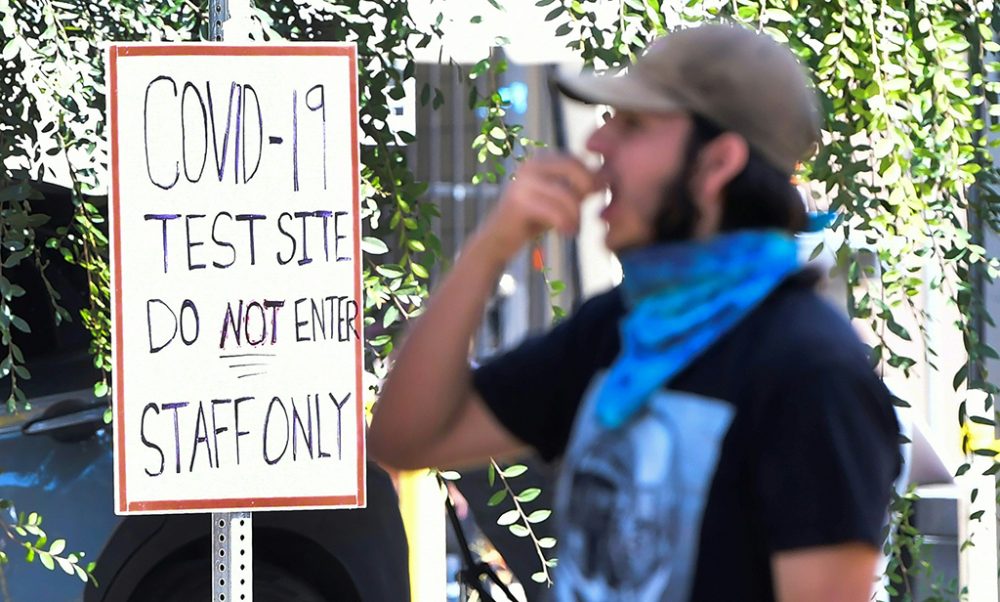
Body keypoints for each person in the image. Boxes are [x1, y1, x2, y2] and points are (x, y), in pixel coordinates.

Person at [369, 23, 900, 602]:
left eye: (635, 124)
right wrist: (491, 245)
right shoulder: (619, 329)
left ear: (718, 162)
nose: (599, 143)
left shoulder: (811, 370)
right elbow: (403, 438)